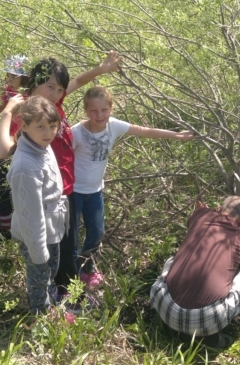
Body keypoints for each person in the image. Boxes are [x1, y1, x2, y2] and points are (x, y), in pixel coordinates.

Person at [0, 53, 120, 303]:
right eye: (50, 87)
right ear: (34, 84)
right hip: (48, 191)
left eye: (59, 89)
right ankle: (65, 292)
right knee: (57, 245)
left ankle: (65, 285)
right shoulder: (29, 112)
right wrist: (7, 114)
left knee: (68, 240)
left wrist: (100, 69)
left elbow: (76, 83)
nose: (55, 93)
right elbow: (4, 150)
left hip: (67, 185)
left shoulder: (52, 106)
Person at [72, 86, 194, 287]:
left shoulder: (114, 126)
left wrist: (176, 135)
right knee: (71, 236)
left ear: (111, 109)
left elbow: (144, 131)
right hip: (74, 192)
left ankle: (86, 267)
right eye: (93, 111)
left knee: (97, 233)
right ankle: (71, 273)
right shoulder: (77, 132)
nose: (99, 115)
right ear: (86, 111)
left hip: (94, 192)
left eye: (104, 110)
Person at [150, 196, 240, 348]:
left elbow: (193, 218)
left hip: (163, 305)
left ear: (218, 208)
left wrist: (201, 211)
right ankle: (209, 338)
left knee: (171, 261)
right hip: (206, 321)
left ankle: (171, 328)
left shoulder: (202, 215)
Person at [6, 95, 67, 315]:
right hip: (36, 235)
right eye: (40, 126)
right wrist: (38, 251)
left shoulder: (41, 145)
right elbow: (30, 215)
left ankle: (50, 302)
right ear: (24, 126)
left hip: (51, 227)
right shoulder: (25, 166)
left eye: (52, 126)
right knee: (39, 277)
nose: (48, 133)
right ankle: (41, 317)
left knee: (50, 272)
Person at [0, 55, 31, 233]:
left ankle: (17, 218)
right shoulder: (8, 93)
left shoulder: (30, 95)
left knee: (8, 178)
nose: (10, 79)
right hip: (8, 143)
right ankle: (5, 222)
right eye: (8, 75)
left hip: (23, 144)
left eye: (14, 76)